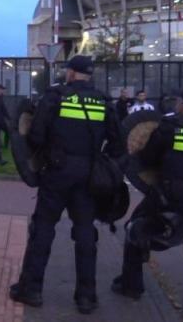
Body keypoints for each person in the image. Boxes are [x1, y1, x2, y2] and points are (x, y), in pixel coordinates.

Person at [10, 55, 124, 314]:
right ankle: (86, 297)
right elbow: (118, 144)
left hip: (57, 172)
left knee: (43, 229)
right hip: (88, 175)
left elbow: (36, 136)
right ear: (90, 75)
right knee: (85, 233)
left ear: (71, 73)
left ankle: (31, 289)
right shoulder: (104, 102)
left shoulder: (55, 97)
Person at [112, 87, 183, 322]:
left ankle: (131, 285)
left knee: (136, 229)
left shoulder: (170, 127)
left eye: (178, 101)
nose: (176, 104)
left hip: (169, 197)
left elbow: (147, 159)